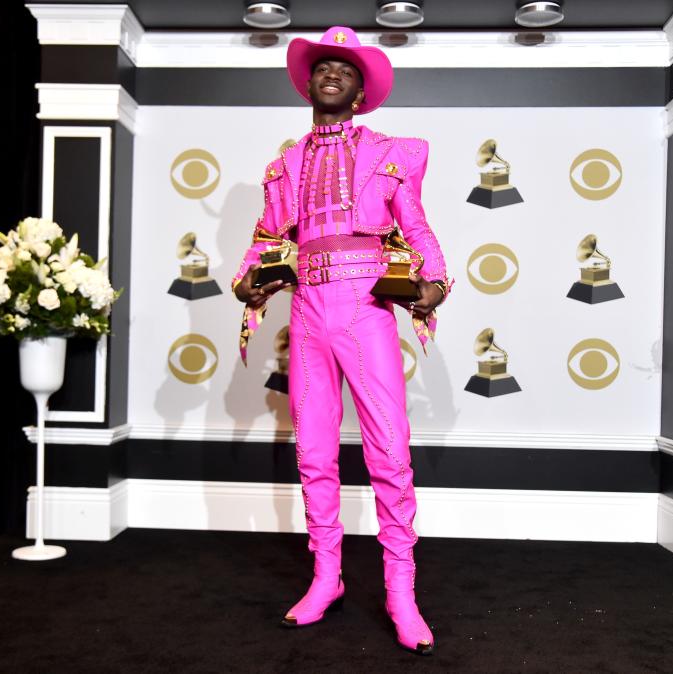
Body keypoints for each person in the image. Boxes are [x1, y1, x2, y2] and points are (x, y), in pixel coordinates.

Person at [231, 26, 453, 655]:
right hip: (306, 308)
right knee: (314, 452)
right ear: (309, 84)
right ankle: (325, 579)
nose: (332, 74)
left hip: (366, 306)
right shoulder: (285, 163)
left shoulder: (392, 151)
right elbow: (266, 237)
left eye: (345, 70)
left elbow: (417, 226)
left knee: (389, 450)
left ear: (360, 93)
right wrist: (248, 283)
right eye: (322, 66)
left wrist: (435, 282)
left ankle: (400, 591)